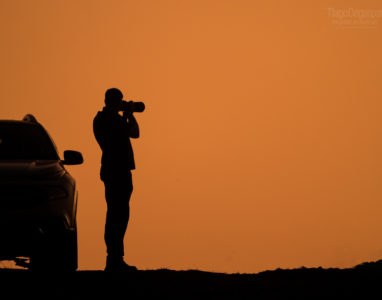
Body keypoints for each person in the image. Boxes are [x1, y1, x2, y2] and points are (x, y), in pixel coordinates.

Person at [93, 88, 140, 272]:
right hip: (117, 170)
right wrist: (128, 115)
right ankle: (114, 259)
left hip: (115, 170)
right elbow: (134, 132)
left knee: (117, 213)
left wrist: (127, 115)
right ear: (115, 101)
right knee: (117, 214)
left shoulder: (104, 119)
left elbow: (133, 133)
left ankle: (114, 258)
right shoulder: (108, 119)